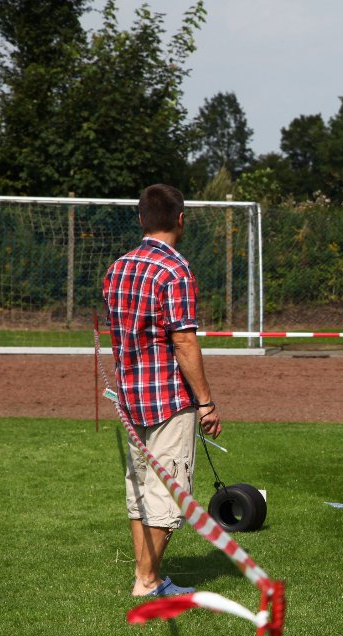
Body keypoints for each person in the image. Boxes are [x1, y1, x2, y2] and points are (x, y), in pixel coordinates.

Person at [103, 184, 222, 597]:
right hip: (169, 399)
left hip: (131, 397)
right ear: (181, 219)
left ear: (141, 219)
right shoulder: (175, 270)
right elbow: (184, 341)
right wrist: (205, 402)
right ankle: (147, 581)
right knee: (170, 494)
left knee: (141, 490)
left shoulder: (117, 267)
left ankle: (147, 576)